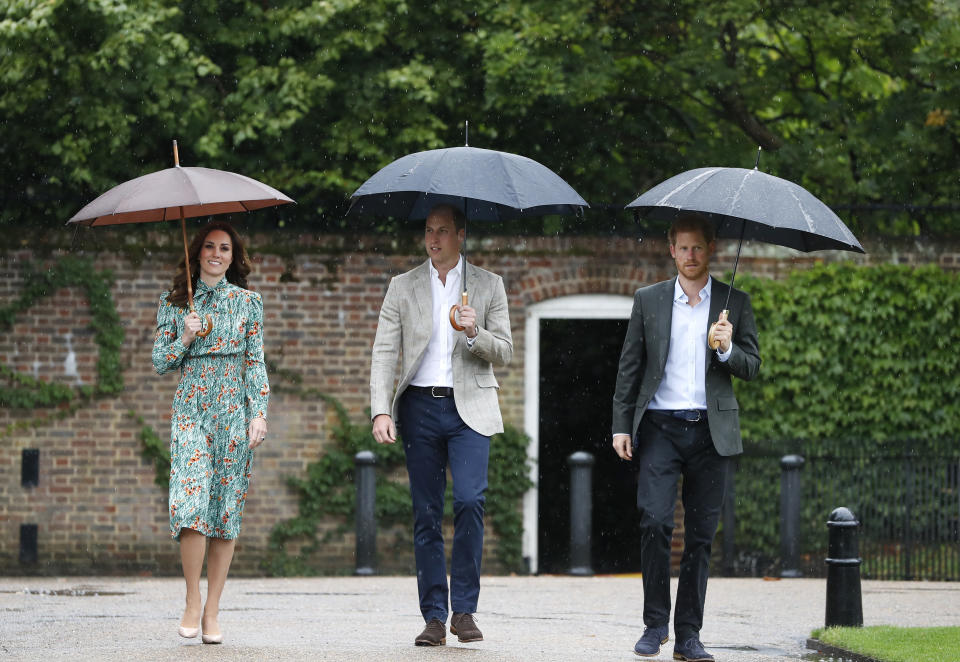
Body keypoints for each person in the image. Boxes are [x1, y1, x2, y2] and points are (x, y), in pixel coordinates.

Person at [611, 213, 761, 662]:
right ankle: (655, 624)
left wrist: (727, 349)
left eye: (699, 248)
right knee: (654, 521)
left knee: (700, 536)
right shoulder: (649, 299)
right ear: (670, 250)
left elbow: (752, 366)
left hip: (711, 432)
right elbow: (630, 367)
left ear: (711, 249)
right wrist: (621, 424)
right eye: (683, 248)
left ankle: (689, 635)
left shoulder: (736, 302)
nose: (691, 256)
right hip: (659, 427)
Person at [370, 203, 513, 647]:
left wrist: (475, 333)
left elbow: (505, 351)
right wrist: (380, 409)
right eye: (429, 231)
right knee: (426, 511)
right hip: (419, 407)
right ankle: (434, 616)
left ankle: (464, 611)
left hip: (470, 408)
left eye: (443, 231)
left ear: (461, 235)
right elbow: (384, 351)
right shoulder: (402, 286)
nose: (434, 239)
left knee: (470, 501)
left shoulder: (488, 285)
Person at [152, 220, 269, 645]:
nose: (216, 254)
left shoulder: (249, 303)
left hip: (232, 413)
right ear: (198, 252)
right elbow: (161, 361)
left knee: (224, 512)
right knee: (190, 501)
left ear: (234, 257)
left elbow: (255, 362)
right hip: (190, 412)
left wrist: (259, 413)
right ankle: (191, 599)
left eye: (225, 249)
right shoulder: (175, 301)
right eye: (209, 247)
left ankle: (213, 610)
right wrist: (185, 334)